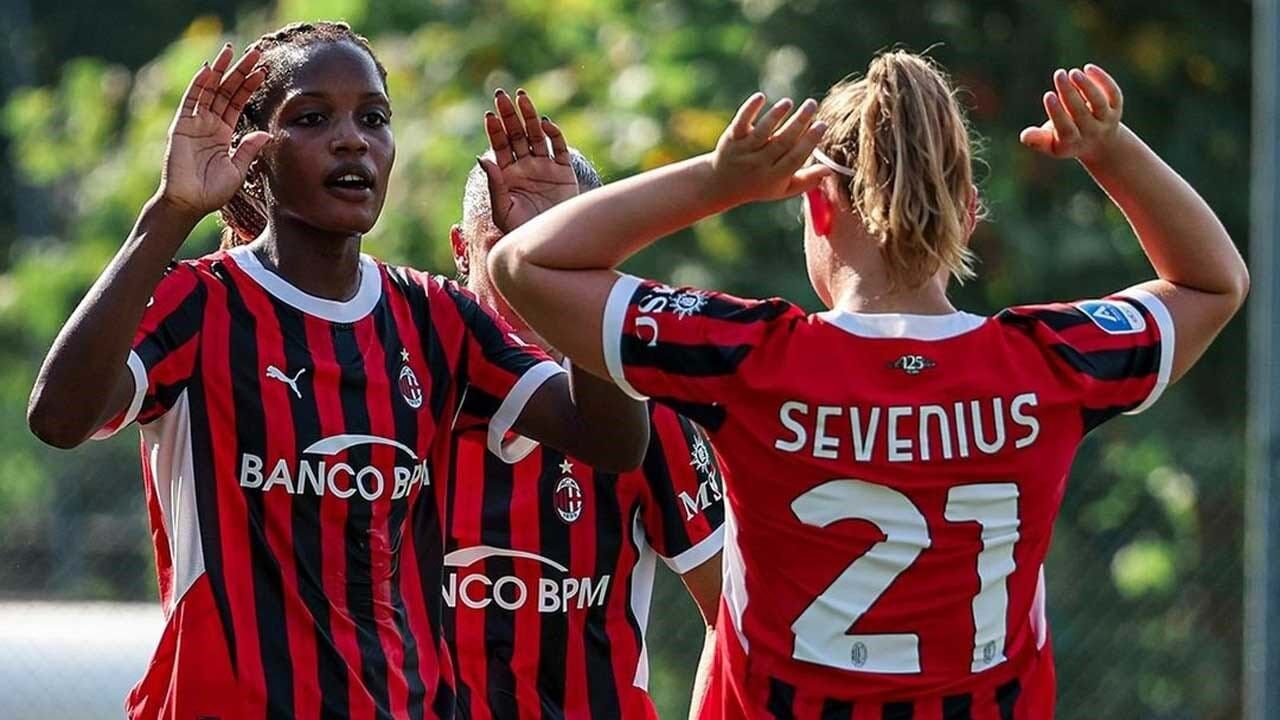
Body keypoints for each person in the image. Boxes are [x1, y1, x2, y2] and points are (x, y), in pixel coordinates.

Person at [486, 52, 1249, 718]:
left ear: (817, 204)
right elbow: (1214, 283)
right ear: (969, 214)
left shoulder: (750, 358)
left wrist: (720, 181)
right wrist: (1110, 150)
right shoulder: (1048, 365)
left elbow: (525, 264)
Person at [25, 22, 647, 720]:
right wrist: (169, 212)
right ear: (253, 153)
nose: (352, 140)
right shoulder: (201, 303)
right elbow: (58, 418)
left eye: (374, 118)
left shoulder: (433, 317)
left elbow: (612, 439)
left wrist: (571, 262)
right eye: (312, 118)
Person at [440, 89, 726, 719]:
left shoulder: (647, 404)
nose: (525, 275)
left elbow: (730, 615)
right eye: (505, 248)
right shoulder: (411, 384)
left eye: (554, 253)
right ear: (461, 249)